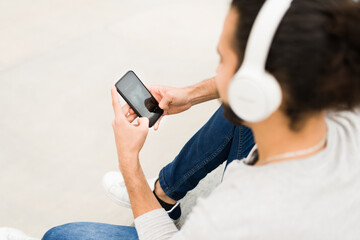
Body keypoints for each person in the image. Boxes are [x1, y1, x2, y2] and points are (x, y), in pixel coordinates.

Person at [7, 0, 360, 239]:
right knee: (237, 113)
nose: (217, 70)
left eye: (223, 59)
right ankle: (163, 197)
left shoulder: (233, 216)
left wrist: (129, 161)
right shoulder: (345, 109)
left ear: (257, 86)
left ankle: (154, 203)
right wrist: (191, 94)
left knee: (61, 235)